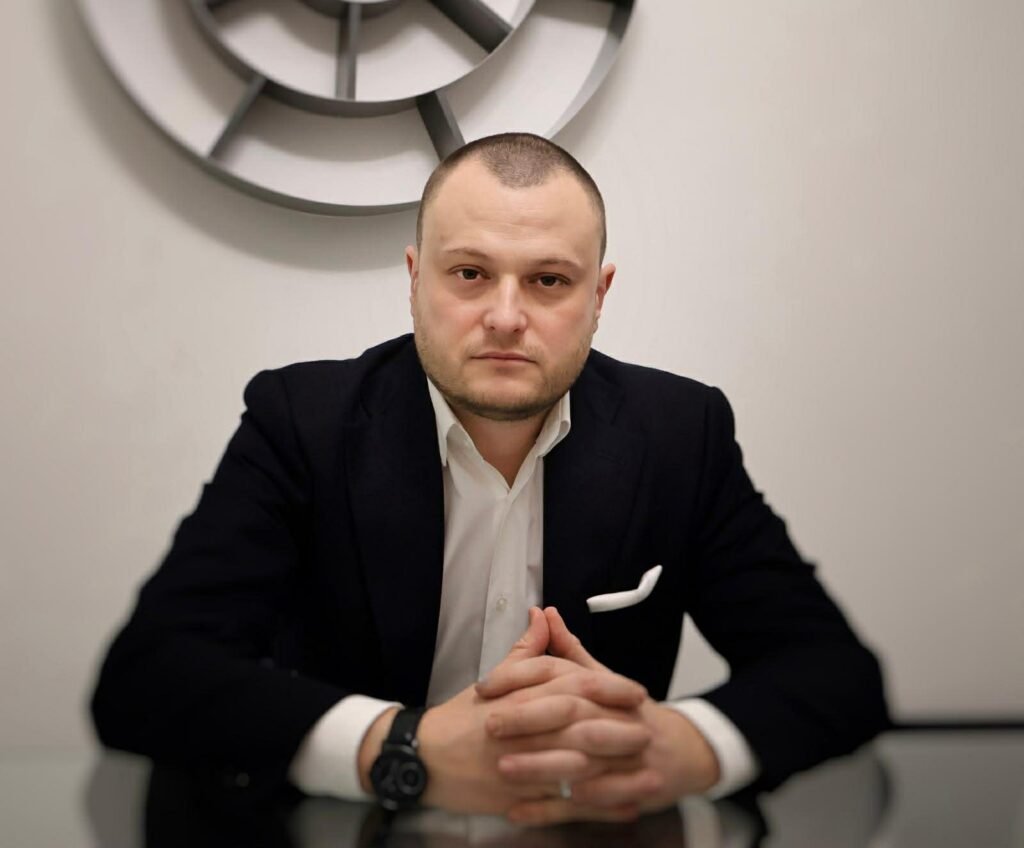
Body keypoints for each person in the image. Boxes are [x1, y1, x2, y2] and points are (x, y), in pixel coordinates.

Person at [91, 133, 889, 825]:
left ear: (599, 295)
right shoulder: (303, 423)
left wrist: (680, 747)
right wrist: (401, 749)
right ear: (415, 279)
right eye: (470, 274)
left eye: (549, 281)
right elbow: (148, 675)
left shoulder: (682, 434)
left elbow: (836, 674)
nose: (506, 316)